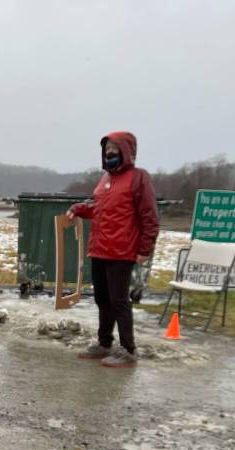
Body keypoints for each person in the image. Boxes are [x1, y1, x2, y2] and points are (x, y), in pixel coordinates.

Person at [68, 132, 159, 368]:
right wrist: (78, 209)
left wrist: (145, 248)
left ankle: (128, 349)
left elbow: (149, 216)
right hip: (99, 248)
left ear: (126, 151)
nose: (109, 152)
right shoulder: (105, 180)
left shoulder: (138, 178)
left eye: (114, 148)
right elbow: (98, 209)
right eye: (107, 148)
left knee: (119, 300)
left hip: (121, 251)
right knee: (102, 299)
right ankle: (104, 343)